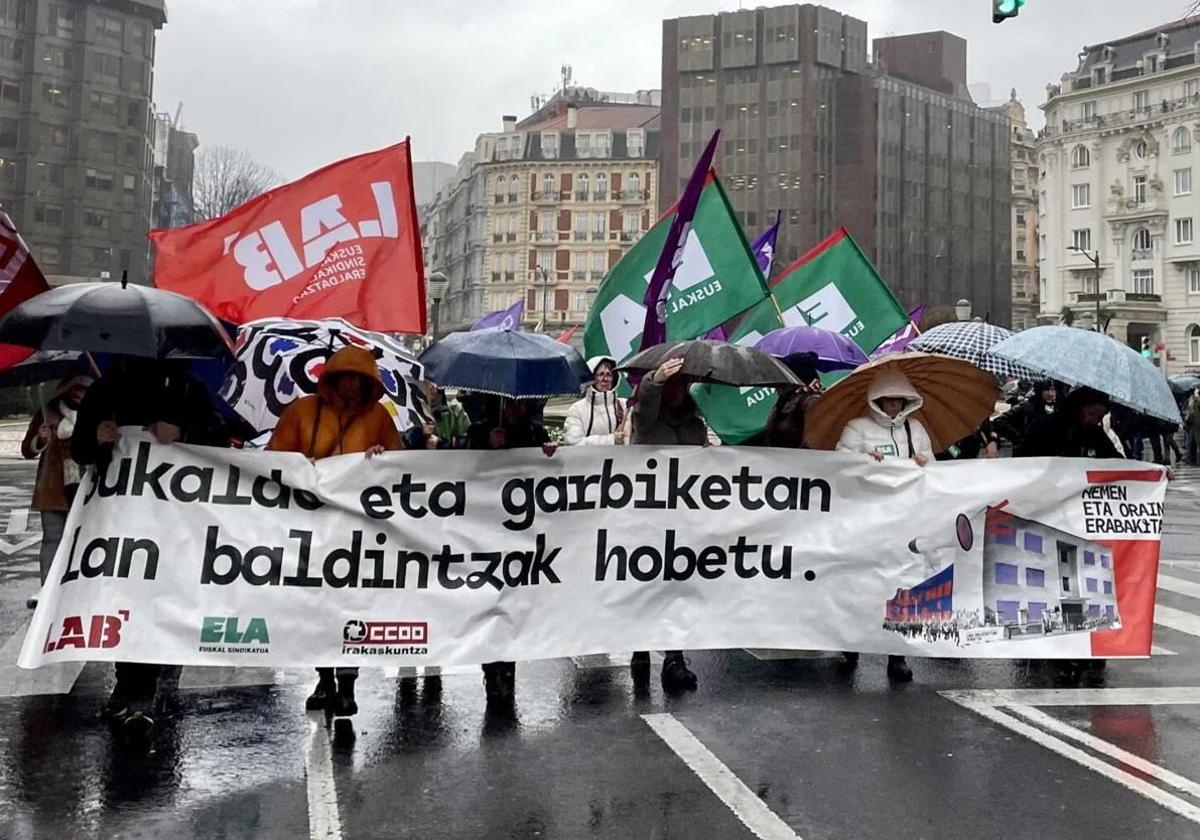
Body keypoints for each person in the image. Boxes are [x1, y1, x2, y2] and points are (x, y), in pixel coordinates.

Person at [72, 356, 231, 736]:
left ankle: (142, 686)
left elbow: (221, 437)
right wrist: (97, 437)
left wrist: (183, 432)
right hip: (118, 515)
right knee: (124, 598)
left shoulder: (187, 387)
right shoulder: (105, 389)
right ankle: (128, 682)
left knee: (158, 595)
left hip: (175, 516)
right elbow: (80, 449)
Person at [267, 346, 404, 717]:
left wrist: (384, 457)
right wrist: (298, 465)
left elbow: (403, 464)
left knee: (352, 605)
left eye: (358, 379)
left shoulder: (378, 417)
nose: (350, 385)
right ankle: (324, 677)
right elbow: (271, 461)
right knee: (317, 606)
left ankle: (347, 683)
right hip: (310, 528)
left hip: (356, 531)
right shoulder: (300, 413)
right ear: (332, 378)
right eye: (345, 377)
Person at [835, 369, 935, 682]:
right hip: (866, 519)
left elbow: (933, 466)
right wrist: (864, 456)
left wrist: (923, 461)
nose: (893, 405)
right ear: (877, 400)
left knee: (901, 584)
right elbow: (838, 464)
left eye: (898, 400)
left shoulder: (915, 428)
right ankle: (852, 640)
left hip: (904, 519)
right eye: (887, 400)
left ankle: (897, 654)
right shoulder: (856, 428)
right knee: (862, 583)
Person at [467, 396, 555, 705]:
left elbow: (552, 473)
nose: (515, 409)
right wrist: (487, 447)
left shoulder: (535, 433)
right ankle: (492, 672)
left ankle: (509, 671)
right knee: (492, 601)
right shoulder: (479, 431)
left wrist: (549, 455)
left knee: (515, 603)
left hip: (522, 535)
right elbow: (460, 472)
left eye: (521, 404)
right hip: (488, 531)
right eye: (509, 404)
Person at [627, 356, 705, 692]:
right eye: (672, 384)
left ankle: (675, 658)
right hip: (648, 518)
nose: (677, 390)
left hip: (683, 518)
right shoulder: (647, 423)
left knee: (678, 587)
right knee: (646, 585)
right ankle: (640, 647)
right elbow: (646, 404)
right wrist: (654, 380)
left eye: (682, 384)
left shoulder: (695, 425)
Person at [21, 374, 92, 608]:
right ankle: (48, 588)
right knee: (52, 539)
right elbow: (27, 450)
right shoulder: (47, 412)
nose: (78, 394)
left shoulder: (98, 413)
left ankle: (82, 589)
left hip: (88, 490)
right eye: (74, 389)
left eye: (83, 389)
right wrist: (40, 439)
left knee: (87, 539)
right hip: (53, 489)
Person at [563, 356, 627, 446]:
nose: (605, 379)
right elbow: (573, 442)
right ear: (592, 378)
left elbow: (633, 439)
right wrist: (611, 440)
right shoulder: (577, 409)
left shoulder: (624, 406)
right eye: (601, 374)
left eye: (609, 375)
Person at [992, 379, 1056, 451]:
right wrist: (1020, 439)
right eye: (1046, 390)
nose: (1051, 394)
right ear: (1039, 390)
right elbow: (999, 421)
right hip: (1026, 454)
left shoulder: (1053, 407)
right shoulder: (1026, 405)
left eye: (1053, 390)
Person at [1186, 387, 1200, 464]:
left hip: (1198, 423)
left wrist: (1197, 397)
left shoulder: (1197, 398)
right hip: (1192, 423)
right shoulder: (1191, 398)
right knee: (1192, 442)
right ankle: (1193, 459)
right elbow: (1190, 409)